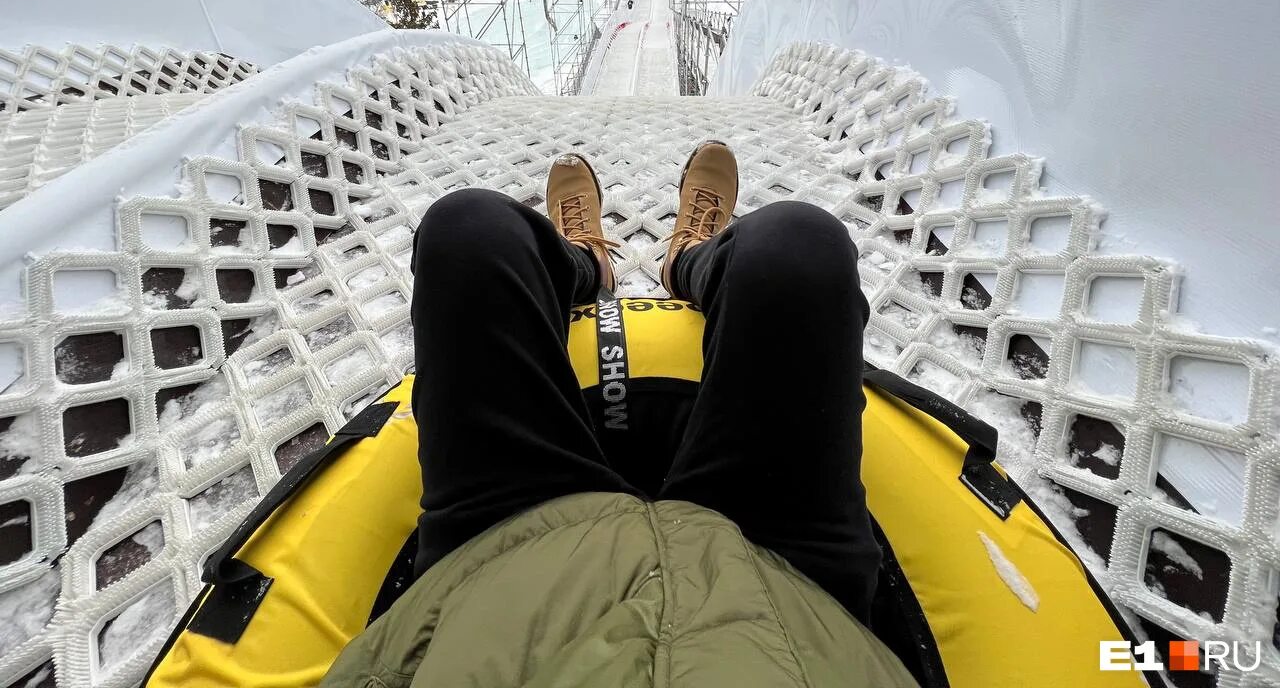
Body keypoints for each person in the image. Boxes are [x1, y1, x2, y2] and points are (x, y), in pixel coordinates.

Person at [321, 142, 918, 687]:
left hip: (502, 560)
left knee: (468, 231)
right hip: (785, 584)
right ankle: (682, 262)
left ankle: (584, 263)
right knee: (800, 245)